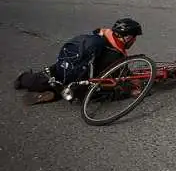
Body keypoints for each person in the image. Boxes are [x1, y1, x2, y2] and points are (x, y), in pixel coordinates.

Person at [14, 18, 143, 105]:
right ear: (128, 37)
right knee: (111, 90)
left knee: (51, 75)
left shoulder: (99, 37)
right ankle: (57, 92)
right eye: (134, 38)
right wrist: (131, 89)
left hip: (66, 66)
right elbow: (118, 77)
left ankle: (24, 79)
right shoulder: (115, 55)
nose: (135, 41)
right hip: (81, 81)